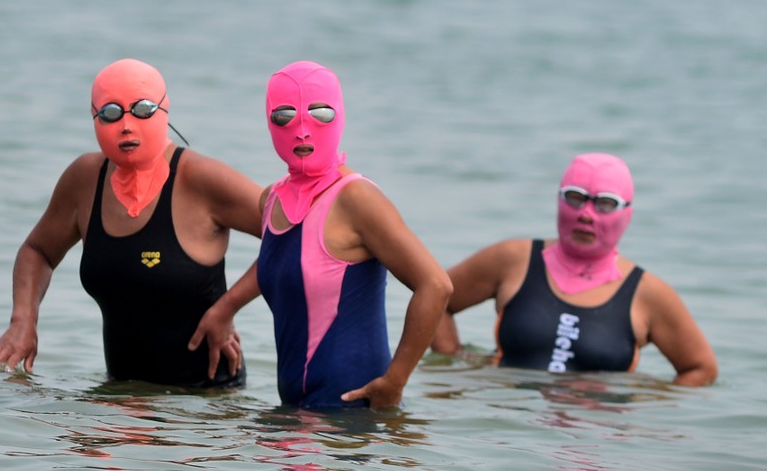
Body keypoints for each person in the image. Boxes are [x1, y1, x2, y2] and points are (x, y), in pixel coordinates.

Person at [0, 58, 262, 387]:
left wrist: (226, 309)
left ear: (163, 110)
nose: (127, 125)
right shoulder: (85, 180)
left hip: (203, 411)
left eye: (142, 109)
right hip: (119, 397)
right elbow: (37, 250)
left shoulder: (201, 179)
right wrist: (23, 321)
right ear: (94, 117)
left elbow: (290, 235)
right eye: (111, 113)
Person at [192, 60, 452, 408]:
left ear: (340, 115)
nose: (301, 130)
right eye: (285, 116)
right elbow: (289, 260)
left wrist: (395, 381)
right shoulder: (271, 199)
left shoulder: (356, 199)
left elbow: (435, 285)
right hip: (294, 417)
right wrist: (225, 308)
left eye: (320, 114)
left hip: (350, 430)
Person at [431, 153, 718, 387]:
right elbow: (435, 296)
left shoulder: (649, 293)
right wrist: (452, 365)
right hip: (510, 435)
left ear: (626, 214)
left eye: (605, 204)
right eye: (575, 197)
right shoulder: (512, 259)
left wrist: (641, 404)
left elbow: (701, 369)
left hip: (594, 441)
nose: (585, 213)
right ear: (559, 199)